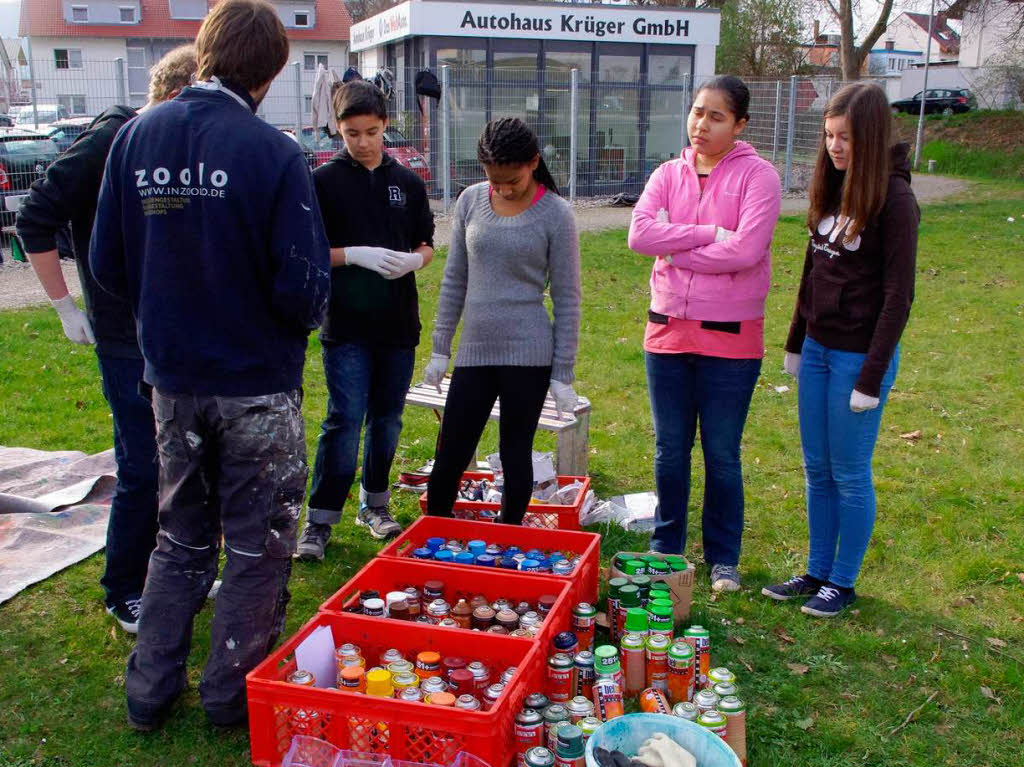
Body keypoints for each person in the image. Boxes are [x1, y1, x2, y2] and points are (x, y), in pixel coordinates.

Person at [89, 0, 330, 728]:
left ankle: (150, 692)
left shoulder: (136, 137)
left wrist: (173, 302)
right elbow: (305, 287)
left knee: (181, 535)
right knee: (257, 546)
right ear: (271, 72)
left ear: (203, 50)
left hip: (173, 380)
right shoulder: (272, 151)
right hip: (254, 382)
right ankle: (230, 699)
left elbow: (105, 264)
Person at [16, 45, 198, 634]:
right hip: (124, 333)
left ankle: (171, 570)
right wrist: (63, 304)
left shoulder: (170, 145)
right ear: (173, 97)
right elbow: (34, 216)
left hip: (172, 329)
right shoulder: (113, 138)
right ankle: (125, 587)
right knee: (142, 463)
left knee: (183, 459)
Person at [763, 83, 917, 617]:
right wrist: (796, 342)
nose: (835, 146)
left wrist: (871, 379)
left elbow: (899, 297)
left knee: (849, 472)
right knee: (816, 468)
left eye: (845, 137)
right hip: (820, 351)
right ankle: (816, 571)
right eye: (829, 135)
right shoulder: (831, 185)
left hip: (858, 359)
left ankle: (843, 582)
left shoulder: (895, 200)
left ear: (870, 138)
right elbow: (812, 272)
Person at [627, 75, 782, 592]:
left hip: (731, 341)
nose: (702, 125)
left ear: (739, 125)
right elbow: (639, 235)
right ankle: (666, 548)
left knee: (721, 452)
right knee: (670, 450)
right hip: (667, 335)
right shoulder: (667, 174)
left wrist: (675, 250)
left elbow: (746, 251)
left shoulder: (759, 178)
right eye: (697, 112)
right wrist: (708, 233)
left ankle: (723, 558)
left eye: (716, 116)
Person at [295, 80, 434, 559]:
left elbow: (426, 242)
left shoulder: (409, 183)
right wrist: (353, 254)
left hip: (398, 323)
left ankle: (375, 503)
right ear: (338, 129)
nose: (362, 142)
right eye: (352, 133)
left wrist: (416, 261)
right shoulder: (322, 182)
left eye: (371, 132)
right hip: (347, 323)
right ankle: (320, 519)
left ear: (385, 126)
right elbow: (309, 251)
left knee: (389, 419)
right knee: (345, 418)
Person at [424, 117, 581, 524]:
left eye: (511, 180)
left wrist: (563, 373)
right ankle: (436, 532)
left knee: (515, 455)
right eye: (495, 180)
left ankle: (508, 537)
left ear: (533, 163)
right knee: (451, 454)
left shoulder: (557, 214)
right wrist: (441, 349)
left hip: (528, 356)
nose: (503, 188)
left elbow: (567, 298)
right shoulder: (470, 201)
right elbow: (454, 278)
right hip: (475, 352)